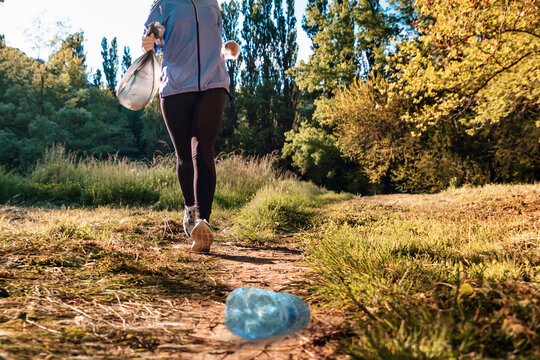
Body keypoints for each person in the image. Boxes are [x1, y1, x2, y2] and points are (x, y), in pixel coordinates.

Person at [142, 0, 238, 253]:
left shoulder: (211, 3)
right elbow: (154, 36)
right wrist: (150, 41)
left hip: (213, 82)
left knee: (203, 149)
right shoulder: (165, 4)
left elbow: (214, 41)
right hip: (175, 86)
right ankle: (190, 208)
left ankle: (203, 222)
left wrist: (227, 49)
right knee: (184, 156)